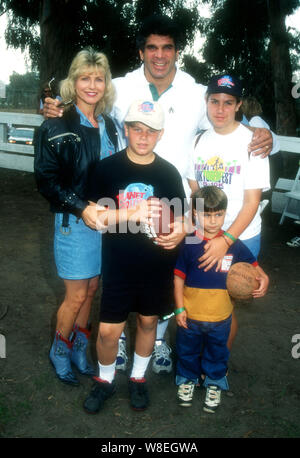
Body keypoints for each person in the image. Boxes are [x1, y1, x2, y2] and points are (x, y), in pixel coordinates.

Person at [42, 15, 273, 376]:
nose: (160, 55)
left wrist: (261, 130)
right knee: (116, 271)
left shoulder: (196, 92)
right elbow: (85, 95)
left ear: (177, 52)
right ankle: (114, 342)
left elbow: (227, 111)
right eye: (152, 47)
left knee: (168, 276)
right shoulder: (120, 86)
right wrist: (55, 104)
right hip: (124, 201)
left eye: (167, 48)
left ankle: (162, 343)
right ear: (142, 51)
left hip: (178, 202)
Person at [82, 99, 186, 413]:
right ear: (126, 130)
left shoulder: (167, 173)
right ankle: (105, 380)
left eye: (151, 131)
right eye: (137, 129)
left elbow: (182, 218)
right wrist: (133, 212)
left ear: (161, 134)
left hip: (156, 264)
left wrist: (181, 229)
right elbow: (94, 217)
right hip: (119, 264)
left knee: (147, 322)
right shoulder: (107, 168)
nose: (143, 136)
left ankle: (138, 378)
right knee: (109, 330)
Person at [34, 48, 119, 386]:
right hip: (75, 222)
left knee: (93, 288)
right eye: (85, 78)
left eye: (98, 78)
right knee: (76, 295)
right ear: (73, 81)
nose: (92, 85)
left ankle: (79, 347)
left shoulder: (110, 123)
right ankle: (58, 349)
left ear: (106, 84)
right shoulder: (56, 123)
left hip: (108, 224)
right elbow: (46, 180)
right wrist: (81, 207)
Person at [187, 74, 270, 350]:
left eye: (228, 102)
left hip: (241, 235)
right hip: (205, 236)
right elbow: (195, 193)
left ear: (238, 105)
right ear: (206, 102)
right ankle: (197, 360)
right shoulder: (197, 142)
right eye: (214, 101)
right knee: (202, 300)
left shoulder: (253, 143)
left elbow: (252, 203)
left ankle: (215, 367)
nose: (220, 109)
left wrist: (226, 240)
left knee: (225, 306)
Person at [174, 186, 269, 413]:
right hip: (191, 316)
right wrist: (179, 309)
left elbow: (254, 269)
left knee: (218, 352)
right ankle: (187, 380)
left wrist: (263, 278)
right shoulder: (188, 244)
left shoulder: (233, 244)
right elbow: (177, 279)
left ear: (226, 214)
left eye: (219, 214)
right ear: (195, 214)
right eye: (207, 214)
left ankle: (215, 382)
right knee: (187, 350)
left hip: (221, 317)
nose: (214, 220)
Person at [242, 96, 281, 188]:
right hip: (273, 157)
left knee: (265, 192)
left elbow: (258, 141)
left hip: (272, 159)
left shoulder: (255, 121)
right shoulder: (257, 119)